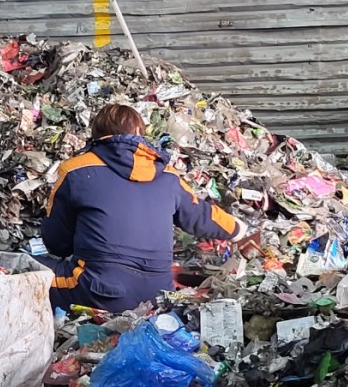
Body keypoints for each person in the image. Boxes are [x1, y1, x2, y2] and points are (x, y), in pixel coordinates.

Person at [40, 102, 246, 312]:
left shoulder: (75, 169)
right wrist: (237, 229)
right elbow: (199, 215)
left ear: (96, 132)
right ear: (140, 133)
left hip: (96, 290)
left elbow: (57, 244)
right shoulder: (169, 175)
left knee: (23, 266)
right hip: (157, 297)